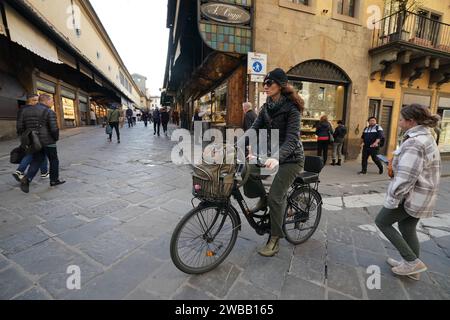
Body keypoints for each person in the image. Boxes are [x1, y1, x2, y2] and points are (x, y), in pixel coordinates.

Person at [242, 68, 305, 258]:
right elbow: (253, 129)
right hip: (271, 154)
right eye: (264, 83)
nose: (265, 86)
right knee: (247, 168)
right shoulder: (267, 107)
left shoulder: (292, 109)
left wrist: (277, 157)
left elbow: (292, 139)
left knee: (276, 197)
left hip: (292, 158)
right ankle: (263, 198)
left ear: (280, 85)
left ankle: (275, 238)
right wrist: (231, 146)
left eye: (269, 83)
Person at [375, 104, 441, 281]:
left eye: (402, 119)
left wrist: (393, 199)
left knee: (381, 221)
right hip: (424, 194)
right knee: (407, 226)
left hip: (412, 195)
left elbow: (406, 177)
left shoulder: (414, 142)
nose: (399, 122)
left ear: (411, 121)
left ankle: (411, 261)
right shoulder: (427, 136)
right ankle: (412, 266)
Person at [17, 94, 65, 193]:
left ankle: (27, 179)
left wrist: (27, 137)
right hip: (48, 141)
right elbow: (54, 129)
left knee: (37, 160)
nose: (52, 103)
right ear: (45, 101)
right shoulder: (49, 112)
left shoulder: (25, 111)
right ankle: (54, 180)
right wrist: (55, 139)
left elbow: (20, 127)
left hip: (34, 141)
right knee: (53, 160)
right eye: (51, 101)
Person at [13, 94, 49, 182]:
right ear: (31, 101)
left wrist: (22, 135)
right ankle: (20, 171)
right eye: (36, 100)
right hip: (36, 135)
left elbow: (19, 124)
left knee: (36, 153)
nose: (38, 102)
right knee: (36, 153)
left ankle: (44, 172)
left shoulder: (22, 110)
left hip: (27, 135)